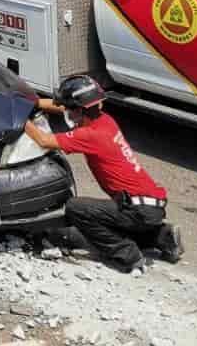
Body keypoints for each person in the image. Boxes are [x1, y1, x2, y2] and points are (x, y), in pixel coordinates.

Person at [23, 74, 183, 273]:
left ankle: (128, 256)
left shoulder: (90, 135)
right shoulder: (104, 121)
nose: (65, 111)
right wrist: (32, 101)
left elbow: (44, 141)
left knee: (76, 208)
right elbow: (62, 107)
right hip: (150, 206)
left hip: (136, 209)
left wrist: (19, 115)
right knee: (111, 221)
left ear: (81, 110)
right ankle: (161, 236)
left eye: (70, 108)